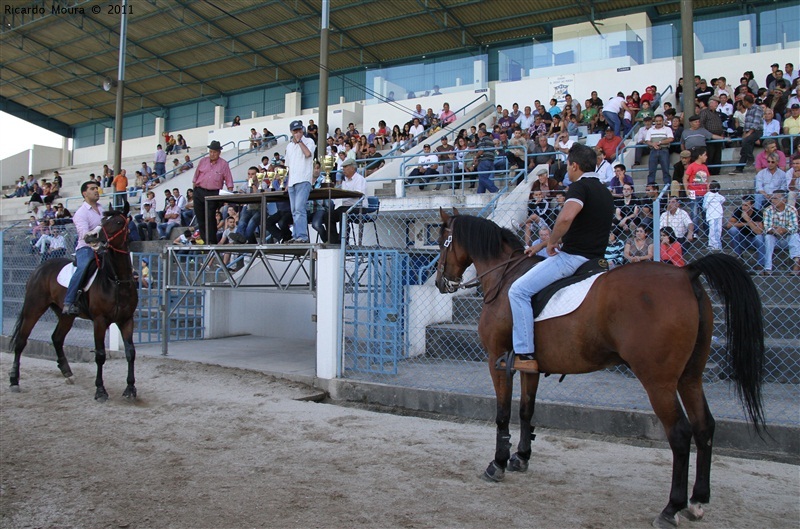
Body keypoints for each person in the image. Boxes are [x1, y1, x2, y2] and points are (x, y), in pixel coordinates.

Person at [506, 143, 614, 373]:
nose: (567, 169)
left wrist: (552, 242)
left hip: (572, 259)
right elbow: (583, 229)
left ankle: (524, 354)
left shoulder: (579, 188)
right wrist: (541, 246)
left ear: (574, 165)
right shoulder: (604, 191)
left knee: (518, 291)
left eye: (568, 165)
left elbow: (565, 219)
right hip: (598, 261)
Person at [62, 181, 104, 316]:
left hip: (104, 246)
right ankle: (69, 301)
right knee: (84, 266)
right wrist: (99, 230)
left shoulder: (102, 208)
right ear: (84, 193)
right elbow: (84, 235)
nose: (96, 191)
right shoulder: (80, 213)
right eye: (92, 189)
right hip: (86, 248)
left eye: (96, 188)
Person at [193, 140, 234, 243]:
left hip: (213, 193)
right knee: (200, 218)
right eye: (211, 151)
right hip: (199, 190)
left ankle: (212, 240)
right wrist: (194, 189)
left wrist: (230, 194)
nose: (212, 154)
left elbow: (228, 179)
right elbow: (196, 176)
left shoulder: (223, 164)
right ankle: (205, 240)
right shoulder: (203, 161)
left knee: (210, 217)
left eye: (214, 152)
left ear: (219, 152)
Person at [283, 120, 315, 243]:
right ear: (291, 132)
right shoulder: (289, 146)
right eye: (295, 131)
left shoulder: (309, 141)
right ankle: (296, 235)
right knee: (294, 210)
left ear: (303, 130)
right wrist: (287, 183)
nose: (297, 133)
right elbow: (289, 166)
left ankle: (302, 236)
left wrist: (300, 141)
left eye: (299, 131)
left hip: (304, 179)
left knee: (299, 208)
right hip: (292, 182)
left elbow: (308, 154)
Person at [329, 159, 367, 245]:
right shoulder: (344, 181)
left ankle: (343, 241)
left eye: (345, 167)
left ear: (353, 168)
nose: (343, 169)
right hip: (347, 206)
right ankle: (334, 240)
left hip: (359, 208)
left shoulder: (360, 179)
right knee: (328, 215)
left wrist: (345, 196)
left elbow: (359, 195)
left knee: (343, 212)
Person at [762, 189, 800, 274]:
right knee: (768, 237)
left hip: (787, 238)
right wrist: (775, 231)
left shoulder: (791, 209)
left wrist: (783, 229)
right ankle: (768, 268)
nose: (772, 201)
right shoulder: (768, 210)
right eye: (772, 198)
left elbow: (794, 227)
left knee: (795, 236)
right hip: (775, 238)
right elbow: (767, 228)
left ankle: (797, 265)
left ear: (784, 200)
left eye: (775, 198)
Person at [725, 195, 765, 270]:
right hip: (742, 239)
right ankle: (738, 256)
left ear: (752, 205)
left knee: (759, 237)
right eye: (743, 205)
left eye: (746, 205)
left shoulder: (758, 213)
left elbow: (759, 232)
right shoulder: (738, 211)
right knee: (733, 230)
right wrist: (747, 223)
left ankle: (761, 264)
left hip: (753, 240)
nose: (743, 207)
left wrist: (748, 219)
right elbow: (729, 225)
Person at [703, 180, 726, 251]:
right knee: (714, 230)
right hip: (715, 215)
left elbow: (705, 205)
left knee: (715, 230)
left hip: (714, 215)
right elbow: (723, 199)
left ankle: (716, 245)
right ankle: (713, 245)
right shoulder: (716, 195)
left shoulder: (709, 194)